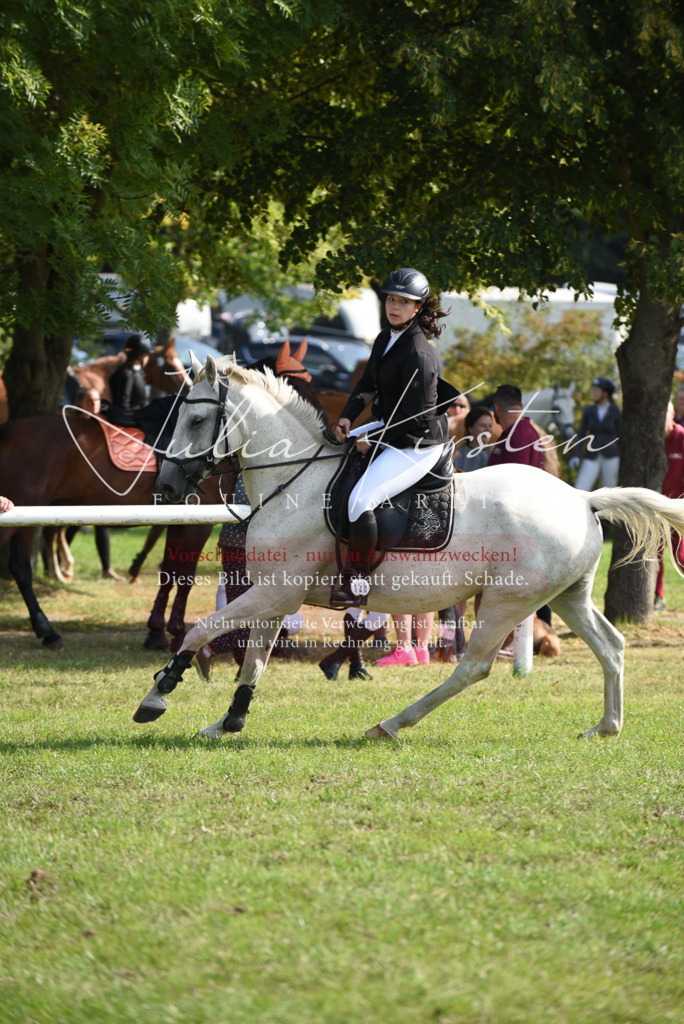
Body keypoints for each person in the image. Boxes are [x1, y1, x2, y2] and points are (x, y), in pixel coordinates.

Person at [332, 268, 453, 607]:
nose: (394, 306)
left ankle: (358, 578)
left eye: (403, 302)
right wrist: (347, 416)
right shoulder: (386, 338)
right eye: (391, 299)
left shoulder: (418, 352)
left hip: (417, 443)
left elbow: (415, 416)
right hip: (390, 428)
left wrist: (373, 439)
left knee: (360, 501)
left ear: (417, 308)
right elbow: (368, 385)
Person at [64, 386, 126, 580]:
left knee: (99, 522)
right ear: (80, 403)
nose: (95, 405)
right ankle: (58, 561)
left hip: (93, 485)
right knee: (71, 524)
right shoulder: (69, 426)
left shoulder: (102, 426)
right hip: (74, 486)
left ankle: (106, 568)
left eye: (97, 400)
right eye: (90, 401)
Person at [654, 402, 684, 610]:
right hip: (655, 508)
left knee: (680, 556)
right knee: (653, 556)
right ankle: (658, 597)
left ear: (672, 414)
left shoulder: (681, 437)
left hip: (677, 507)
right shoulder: (653, 441)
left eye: (664, 413)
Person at [570, 377, 621, 489]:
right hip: (592, 455)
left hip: (611, 456)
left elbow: (621, 436)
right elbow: (582, 434)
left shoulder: (615, 411)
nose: (594, 392)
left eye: (597, 390)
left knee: (609, 493)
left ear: (605, 393)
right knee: (580, 488)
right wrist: (576, 455)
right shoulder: (589, 411)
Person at [487, 385, 543, 469]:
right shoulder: (523, 432)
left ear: (496, 409)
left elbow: (515, 479)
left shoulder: (518, 438)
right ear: (521, 406)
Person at [109, 335, 152, 411]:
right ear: (143, 356)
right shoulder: (127, 374)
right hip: (130, 418)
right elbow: (123, 405)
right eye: (147, 355)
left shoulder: (137, 372)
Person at [453, 405, 494, 472]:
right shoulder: (457, 454)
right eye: (483, 426)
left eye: (490, 425)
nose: (488, 429)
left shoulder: (496, 453)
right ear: (470, 428)